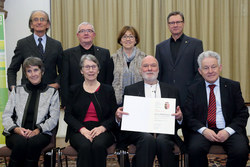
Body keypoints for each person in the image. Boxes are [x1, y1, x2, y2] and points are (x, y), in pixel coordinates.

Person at [183, 51, 249, 167]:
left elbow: (242, 114)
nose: (210, 71)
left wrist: (227, 131)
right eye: (206, 68)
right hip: (204, 130)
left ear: (220, 67)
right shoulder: (193, 89)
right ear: (200, 71)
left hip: (228, 129)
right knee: (195, 149)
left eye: (214, 67)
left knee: (240, 150)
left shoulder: (232, 86)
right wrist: (204, 130)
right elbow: (188, 116)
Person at [116, 55, 184, 167]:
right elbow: (125, 118)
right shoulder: (130, 90)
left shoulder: (172, 90)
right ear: (140, 70)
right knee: (147, 139)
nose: (149, 69)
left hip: (165, 132)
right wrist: (119, 117)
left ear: (158, 69)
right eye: (145, 66)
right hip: (138, 133)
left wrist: (180, 117)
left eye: (153, 66)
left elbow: (180, 119)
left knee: (162, 140)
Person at [2, 57, 60, 167]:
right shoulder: (17, 90)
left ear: (42, 71)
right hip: (16, 133)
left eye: (36, 70)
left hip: (41, 133)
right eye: (29, 71)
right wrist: (16, 129)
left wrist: (37, 130)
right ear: (25, 74)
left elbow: (54, 118)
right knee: (21, 142)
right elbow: (6, 115)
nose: (33, 74)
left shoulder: (52, 92)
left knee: (33, 143)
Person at [64, 54, 117, 167]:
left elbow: (114, 115)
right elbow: (68, 116)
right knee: (85, 146)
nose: (91, 70)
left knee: (98, 145)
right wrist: (82, 130)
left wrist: (102, 128)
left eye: (94, 66)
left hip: (103, 130)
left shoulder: (108, 90)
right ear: (81, 71)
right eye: (87, 67)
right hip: (79, 130)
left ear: (98, 70)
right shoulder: (74, 90)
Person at [155, 11, 203, 106]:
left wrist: (193, 90)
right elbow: (158, 72)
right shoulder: (160, 47)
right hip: (166, 96)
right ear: (168, 25)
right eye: (172, 23)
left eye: (178, 22)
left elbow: (199, 71)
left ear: (183, 23)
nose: (175, 25)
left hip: (189, 95)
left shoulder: (195, 44)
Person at [7, 10, 63, 91]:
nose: (39, 22)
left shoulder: (56, 45)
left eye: (42, 19)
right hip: (27, 92)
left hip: (50, 92)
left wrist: (57, 84)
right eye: (36, 19)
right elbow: (12, 69)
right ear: (31, 24)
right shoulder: (22, 44)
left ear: (48, 24)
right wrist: (13, 88)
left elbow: (63, 70)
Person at [61, 22, 114, 107]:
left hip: (100, 99)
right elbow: (64, 80)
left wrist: (107, 98)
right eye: (82, 31)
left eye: (89, 31)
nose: (86, 33)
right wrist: (65, 102)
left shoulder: (105, 53)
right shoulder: (67, 54)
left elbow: (108, 78)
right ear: (77, 35)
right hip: (76, 99)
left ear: (94, 35)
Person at [112, 26, 146, 106]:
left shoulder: (144, 58)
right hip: (117, 101)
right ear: (120, 40)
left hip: (140, 101)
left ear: (136, 40)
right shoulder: (113, 59)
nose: (128, 39)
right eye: (124, 37)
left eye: (131, 36)